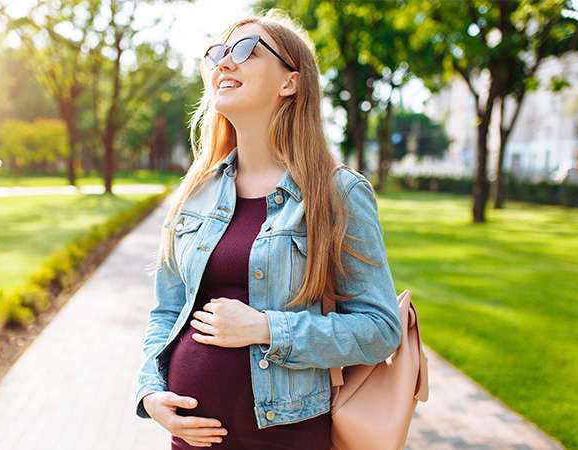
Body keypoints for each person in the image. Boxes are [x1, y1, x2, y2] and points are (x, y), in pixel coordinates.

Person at [134, 9, 402, 450]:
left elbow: (379, 328)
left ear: (289, 82)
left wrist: (266, 328)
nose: (224, 62)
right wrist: (150, 392)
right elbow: (167, 311)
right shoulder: (195, 193)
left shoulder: (336, 194)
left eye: (245, 50)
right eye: (218, 52)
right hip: (190, 439)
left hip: (284, 438)